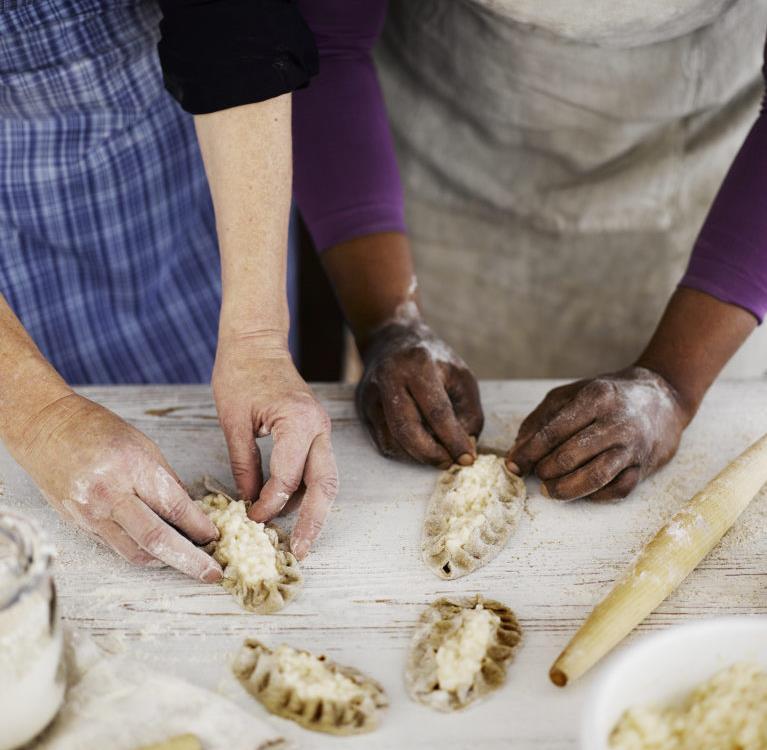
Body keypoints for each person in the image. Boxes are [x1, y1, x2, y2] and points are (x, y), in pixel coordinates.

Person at [291, 1, 767, 498]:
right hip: (441, 146)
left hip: (702, 176)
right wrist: (389, 321)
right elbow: (327, 45)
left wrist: (673, 386)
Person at [0, 0, 341, 581]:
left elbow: (234, 25)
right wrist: (39, 416)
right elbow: (38, 416)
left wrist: (256, 335)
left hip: (178, 155)